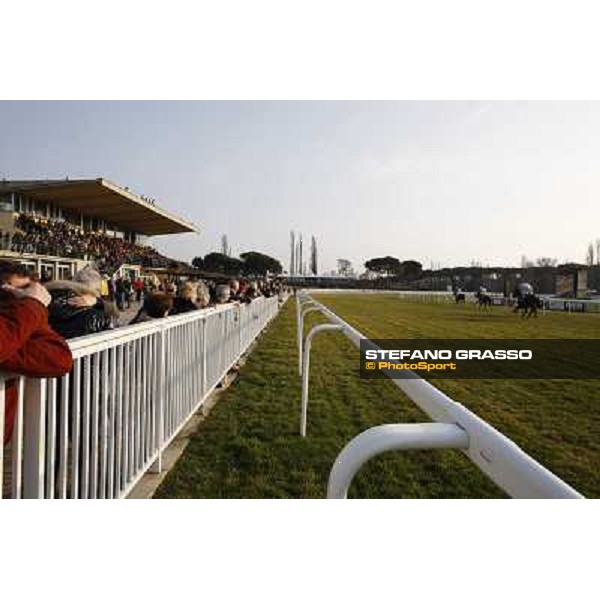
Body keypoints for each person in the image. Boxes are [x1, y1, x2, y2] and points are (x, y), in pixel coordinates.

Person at [0, 260, 73, 444]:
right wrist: (32, 305)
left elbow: (58, 358)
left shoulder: (15, 333)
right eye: (19, 292)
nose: (23, 297)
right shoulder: (22, 314)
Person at [46, 267, 118, 339]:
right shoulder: (95, 316)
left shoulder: (47, 299)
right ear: (96, 289)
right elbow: (115, 314)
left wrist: (97, 301)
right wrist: (98, 301)